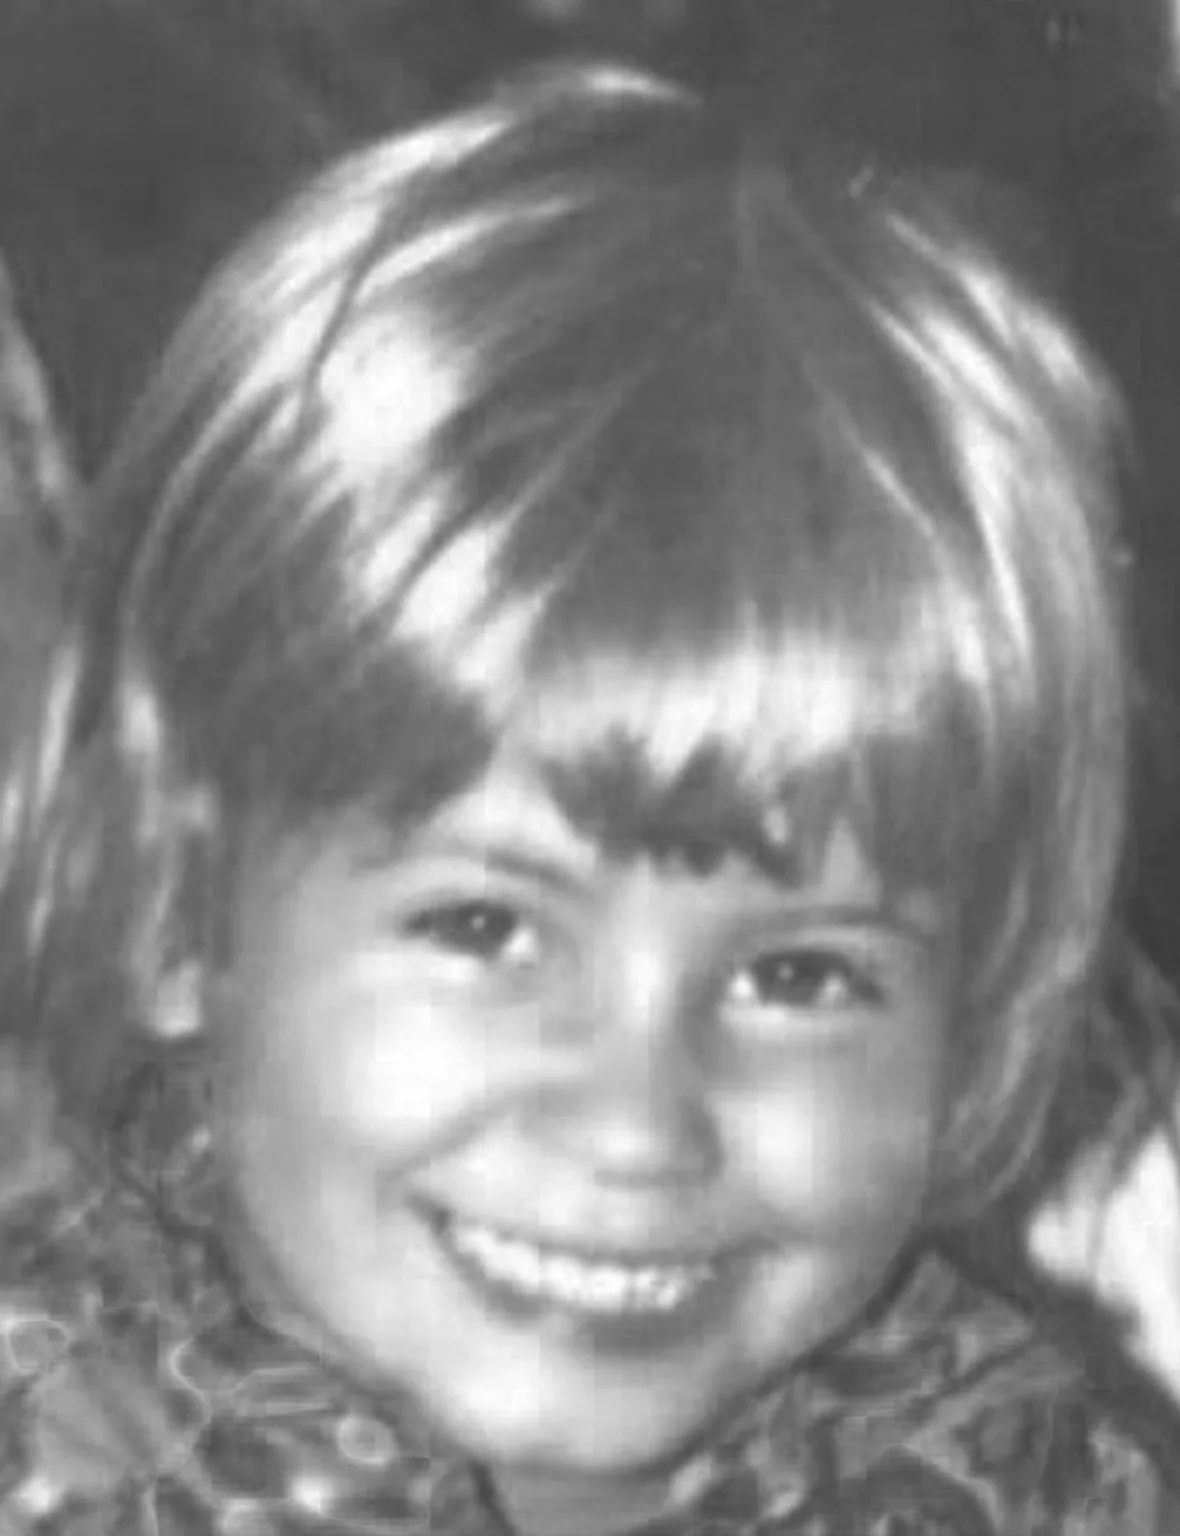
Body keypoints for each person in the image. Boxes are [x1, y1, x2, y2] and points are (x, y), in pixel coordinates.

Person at [0, 60, 1173, 1536]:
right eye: (484, 926)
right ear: (180, 906)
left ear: (975, 1023)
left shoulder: (1022, 1472)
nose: (635, 1129)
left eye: (801, 974)